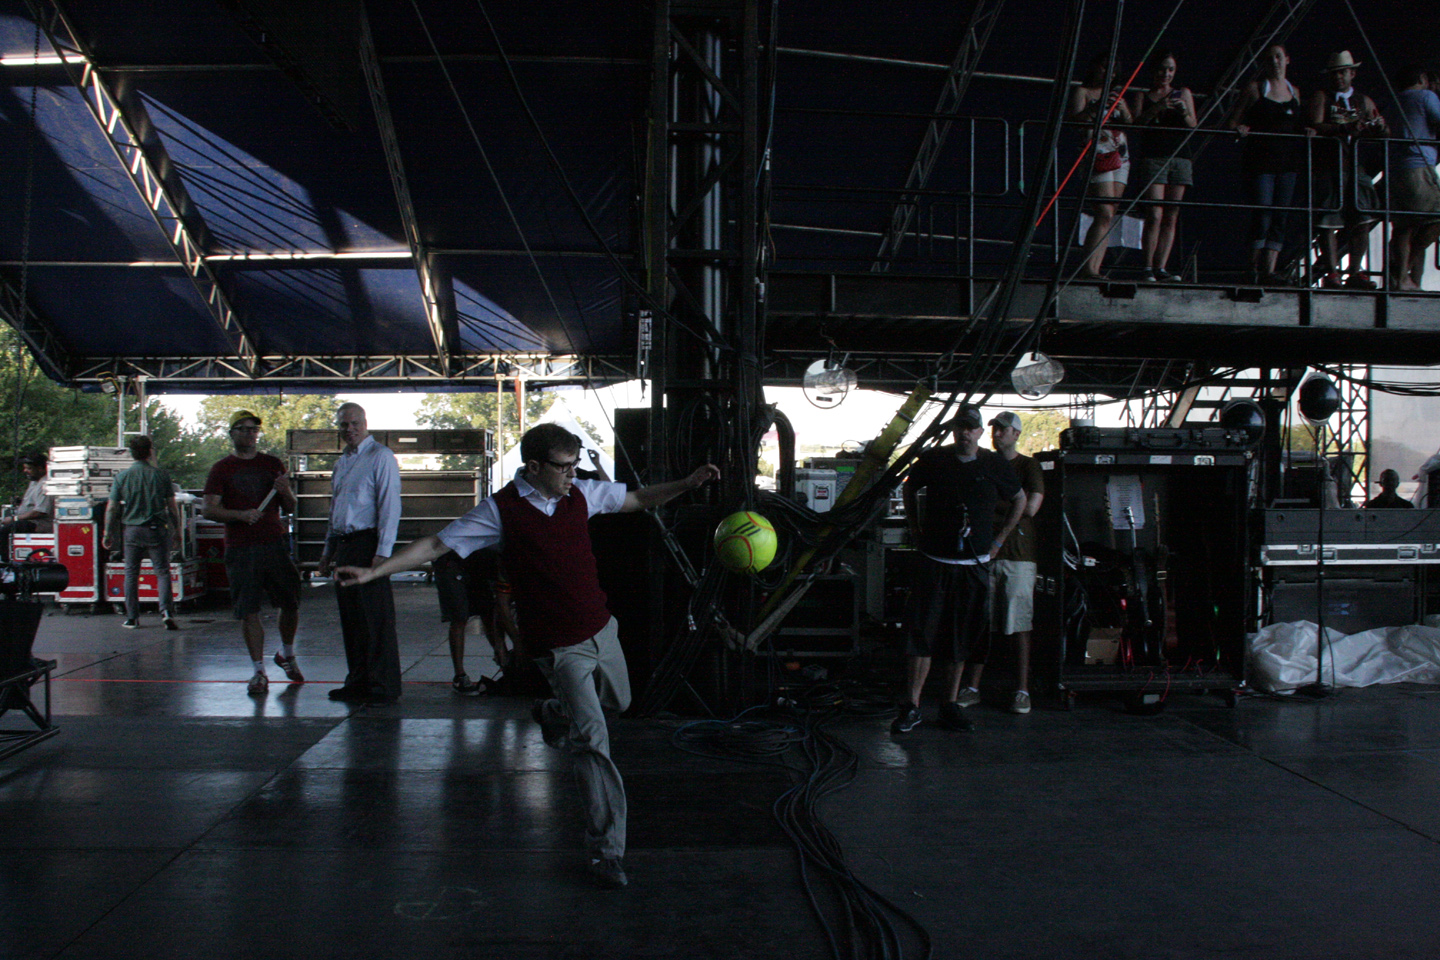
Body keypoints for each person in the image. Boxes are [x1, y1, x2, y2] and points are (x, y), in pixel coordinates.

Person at [336, 423, 720, 889]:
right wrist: (375, 573)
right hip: (559, 647)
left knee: (618, 704)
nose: (572, 475)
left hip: (602, 629)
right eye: (564, 467)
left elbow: (637, 499)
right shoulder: (501, 510)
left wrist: (687, 483)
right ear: (534, 467)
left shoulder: (581, 495)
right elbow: (436, 545)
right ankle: (607, 851)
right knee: (593, 740)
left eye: (575, 466)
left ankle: (552, 712)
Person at [893, 405, 1025, 734]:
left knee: (961, 637)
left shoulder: (994, 464)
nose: (965, 432)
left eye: (971, 427)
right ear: (954, 431)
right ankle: (912, 706)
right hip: (935, 562)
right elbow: (909, 487)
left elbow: (1020, 500)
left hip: (972, 565)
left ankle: (949, 705)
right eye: (960, 427)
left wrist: (999, 542)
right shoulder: (934, 459)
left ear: (980, 432)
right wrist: (915, 528)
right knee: (921, 634)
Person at [201, 409, 303, 696]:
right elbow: (208, 509)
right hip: (241, 548)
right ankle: (259, 671)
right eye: (244, 429)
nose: (250, 434)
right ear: (231, 433)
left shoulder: (272, 464)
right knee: (249, 610)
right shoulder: (222, 469)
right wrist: (240, 515)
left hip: (274, 543)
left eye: (254, 429)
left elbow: (291, 507)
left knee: (291, 602)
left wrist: (285, 491)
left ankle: (286, 653)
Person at [953, 411, 1045, 715]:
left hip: (1017, 556)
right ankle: (972, 687)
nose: (998, 434)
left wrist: (991, 501)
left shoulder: (1028, 466)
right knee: (980, 623)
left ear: (1016, 434)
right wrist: (1012, 500)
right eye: (995, 429)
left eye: (1004, 430)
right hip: (982, 554)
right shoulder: (986, 463)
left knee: (1019, 625)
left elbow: (1030, 508)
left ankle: (1022, 690)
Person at [318, 402, 403, 704]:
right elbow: (335, 509)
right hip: (345, 544)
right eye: (344, 425)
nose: (350, 429)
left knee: (375, 618)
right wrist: (328, 551)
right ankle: (357, 681)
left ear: (366, 424)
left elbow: (389, 506)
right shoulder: (342, 463)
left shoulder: (381, 456)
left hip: (368, 544)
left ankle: (383, 685)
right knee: (352, 619)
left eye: (355, 423)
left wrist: (382, 552)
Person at [1307, 50, 1388, 289]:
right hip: (1329, 166)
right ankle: (1332, 273)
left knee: (1363, 218)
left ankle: (1355, 271)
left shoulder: (1363, 101)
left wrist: (1378, 127)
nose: (1339, 77)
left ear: (1352, 73)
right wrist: (1344, 128)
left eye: (1343, 72)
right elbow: (1314, 124)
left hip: (1355, 166)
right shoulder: (1322, 97)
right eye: (1335, 73)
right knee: (1328, 221)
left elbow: (1383, 129)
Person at [1229, 43, 1307, 285]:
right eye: (1270, 57)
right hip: (1261, 162)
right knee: (1262, 214)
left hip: (1288, 163)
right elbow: (1233, 120)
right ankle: (1252, 267)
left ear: (1287, 59)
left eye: (1278, 56)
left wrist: (1308, 131)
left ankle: (1269, 270)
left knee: (1280, 216)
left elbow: (1298, 125)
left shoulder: (1294, 92)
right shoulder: (1256, 89)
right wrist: (1240, 128)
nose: (1275, 61)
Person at [1129, 50, 1197, 282]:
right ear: (1154, 70)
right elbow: (1136, 124)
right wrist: (1156, 109)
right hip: (1154, 156)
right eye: (1162, 69)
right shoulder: (1143, 95)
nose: (1166, 74)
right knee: (1155, 213)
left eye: (1171, 69)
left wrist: (1183, 111)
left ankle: (1161, 267)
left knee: (1171, 214)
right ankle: (1147, 266)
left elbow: (1193, 125)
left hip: (1180, 156)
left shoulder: (1183, 93)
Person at [102, 435, 181, 630]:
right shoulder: (161, 475)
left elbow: (112, 508)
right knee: (162, 571)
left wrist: (107, 532)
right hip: (156, 530)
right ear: (150, 451)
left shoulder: (122, 477)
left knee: (131, 572)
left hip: (132, 531)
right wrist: (177, 530)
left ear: (131, 453)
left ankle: (132, 617)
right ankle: (166, 612)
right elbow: (172, 507)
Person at [1070, 54, 1134, 279]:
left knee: (1110, 213)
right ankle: (1088, 267)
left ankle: (1095, 267)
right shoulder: (1083, 92)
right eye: (1105, 68)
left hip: (1120, 153)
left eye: (1113, 70)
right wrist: (1096, 108)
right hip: (1097, 152)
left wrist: (1123, 108)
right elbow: (1075, 121)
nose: (1109, 74)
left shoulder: (1116, 93)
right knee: (1104, 211)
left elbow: (1129, 123)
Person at [1387, 64, 1440, 290]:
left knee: (1404, 226)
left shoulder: (1393, 101)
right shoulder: (1425, 96)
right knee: (1436, 219)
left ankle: (1401, 278)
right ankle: (1403, 268)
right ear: (1421, 78)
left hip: (1395, 169)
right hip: (1419, 167)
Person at [433, 545, 511, 693]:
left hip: (474, 561)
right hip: (454, 560)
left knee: (486, 612)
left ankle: (504, 662)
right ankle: (460, 675)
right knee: (460, 617)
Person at [1, 453, 54, 562]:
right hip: (29, 521)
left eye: (29, 468)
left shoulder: (45, 484)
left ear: (40, 468)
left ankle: (7, 563)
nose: (25, 471)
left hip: (40, 523)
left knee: (4, 531)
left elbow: (40, 512)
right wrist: (20, 502)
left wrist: (14, 519)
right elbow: (33, 502)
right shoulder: (34, 481)